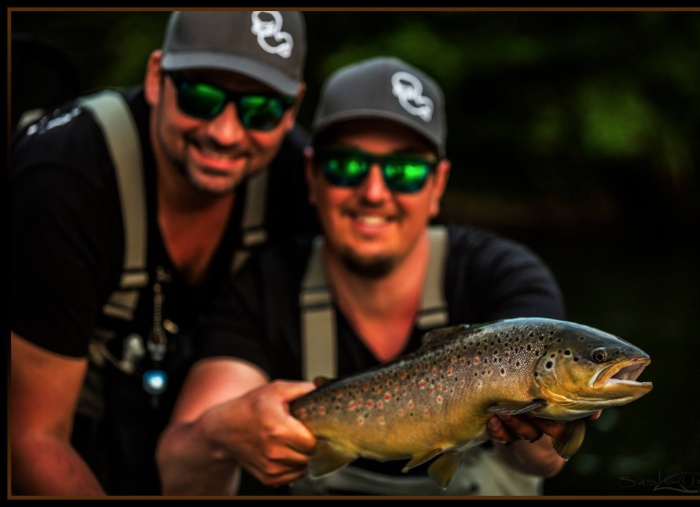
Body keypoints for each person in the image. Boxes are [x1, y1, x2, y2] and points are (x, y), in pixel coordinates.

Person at [156, 56, 596, 496]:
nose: (373, 192)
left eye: (403, 172)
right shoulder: (262, 286)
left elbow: (542, 462)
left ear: (437, 185)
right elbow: (178, 465)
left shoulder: (501, 275)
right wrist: (220, 434)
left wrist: (543, 426)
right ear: (311, 176)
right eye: (345, 167)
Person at [10, 10, 316, 496]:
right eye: (202, 97)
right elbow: (31, 440)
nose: (226, 133)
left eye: (261, 111)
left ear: (293, 109)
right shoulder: (64, 181)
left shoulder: (297, 184)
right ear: (156, 78)